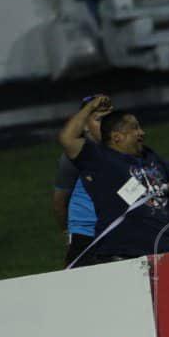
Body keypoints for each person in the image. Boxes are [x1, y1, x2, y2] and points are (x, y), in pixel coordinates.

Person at [58, 95, 169, 265]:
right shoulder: (100, 159)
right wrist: (90, 107)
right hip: (124, 259)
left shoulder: (147, 154)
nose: (142, 132)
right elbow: (67, 138)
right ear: (117, 137)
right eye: (135, 128)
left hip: (161, 254)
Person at [53, 96, 113, 267]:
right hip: (87, 235)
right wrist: (69, 232)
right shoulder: (73, 158)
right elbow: (60, 201)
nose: (106, 125)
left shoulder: (122, 149)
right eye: (99, 119)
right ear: (85, 125)